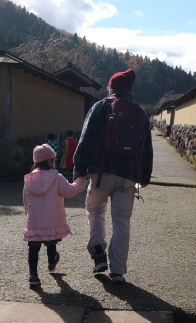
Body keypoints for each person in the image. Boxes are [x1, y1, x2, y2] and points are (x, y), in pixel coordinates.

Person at [73, 69, 153, 284]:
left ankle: (99, 255)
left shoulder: (100, 107)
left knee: (96, 212)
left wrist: (78, 171)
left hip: (101, 173)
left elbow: (85, 140)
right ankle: (118, 270)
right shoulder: (140, 111)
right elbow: (147, 147)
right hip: (128, 177)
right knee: (122, 222)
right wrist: (144, 177)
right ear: (129, 90)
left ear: (111, 87)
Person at [23, 144, 86, 286]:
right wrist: (80, 182)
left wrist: (28, 213)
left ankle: (33, 275)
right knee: (51, 240)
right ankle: (51, 262)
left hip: (34, 220)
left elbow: (25, 199)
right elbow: (69, 191)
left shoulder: (29, 179)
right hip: (53, 220)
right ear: (51, 160)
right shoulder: (57, 177)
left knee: (33, 247)